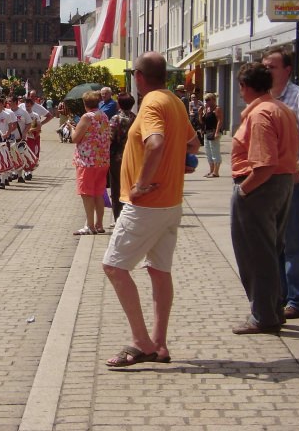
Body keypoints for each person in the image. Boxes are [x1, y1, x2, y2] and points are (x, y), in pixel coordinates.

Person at [102, 52, 199, 367]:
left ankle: (142, 342)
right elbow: (192, 145)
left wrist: (142, 183)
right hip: (169, 202)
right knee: (159, 271)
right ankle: (159, 343)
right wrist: (176, 164)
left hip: (147, 204)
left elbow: (155, 143)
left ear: (139, 76)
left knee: (114, 267)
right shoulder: (175, 101)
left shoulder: (153, 103)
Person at [229, 62, 299, 334]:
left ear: (245, 87)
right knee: (271, 251)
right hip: (282, 183)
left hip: (260, 186)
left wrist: (244, 190)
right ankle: (272, 310)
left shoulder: (261, 114)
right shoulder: (282, 109)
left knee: (255, 253)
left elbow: (265, 163)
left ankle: (263, 315)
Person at [262, 48, 299, 319]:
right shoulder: (266, 98)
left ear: (287, 70)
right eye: (265, 66)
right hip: (269, 179)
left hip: (291, 178)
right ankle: (281, 294)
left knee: (294, 238)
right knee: (274, 240)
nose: (267, 70)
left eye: (272, 66)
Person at [68, 90, 111, 235]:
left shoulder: (86, 117)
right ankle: (99, 224)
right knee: (99, 192)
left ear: (85, 103)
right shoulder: (103, 116)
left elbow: (75, 138)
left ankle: (90, 226)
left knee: (86, 194)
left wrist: (71, 129)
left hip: (87, 161)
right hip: (102, 160)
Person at [108, 92, 136, 222]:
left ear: (119, 104)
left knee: (117, 187)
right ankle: (131, 214)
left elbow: (110, 137)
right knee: (131, 185)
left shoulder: (116, 119)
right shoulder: (135, 118)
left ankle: (118, 217)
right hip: (132, 156)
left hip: (117, 157)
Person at [7, 95, 33, 183]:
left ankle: (20, 176)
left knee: (20, 157)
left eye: (10, 101)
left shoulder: (23, 112)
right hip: (9, 139)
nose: (8, 103)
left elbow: (29, 123)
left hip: (19, 139)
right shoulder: (7, 112)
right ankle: (9, 175)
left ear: (15, 102)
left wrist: (25, 132)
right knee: (10, 157)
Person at [201, 93, 223, 177]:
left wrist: (217, 132)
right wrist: (200, 114)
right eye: (205, 100)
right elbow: (202, 121)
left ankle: (216, 172)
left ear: (213, 100)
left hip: (213, 132)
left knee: (215, 151)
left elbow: (220, 121)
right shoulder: (207, 109)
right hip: (207, 132)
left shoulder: (217, 109)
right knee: (208, 152)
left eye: (207, 100)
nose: (206, 102)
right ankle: (211, 170)